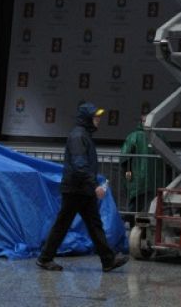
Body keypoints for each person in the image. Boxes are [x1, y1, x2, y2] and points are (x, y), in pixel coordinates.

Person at [36, 102, 129, 272]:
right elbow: (79, 165)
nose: (98, 119)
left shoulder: (82, 135)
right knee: (66, 224)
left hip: (80, 189)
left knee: (91, 225)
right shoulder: (79, 136)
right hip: (76, 189)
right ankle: (45, 258)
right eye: (95, 116)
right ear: (87, 118)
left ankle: (108, 260)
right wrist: (94, 185)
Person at [120, 114, 159, 219]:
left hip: (140, 178)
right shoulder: (157, 137)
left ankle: (130, 223)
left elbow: (124, 156)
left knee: (137, 205)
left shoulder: (134, 136)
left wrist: (127, 170)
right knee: (147, 205)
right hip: (151, 178)